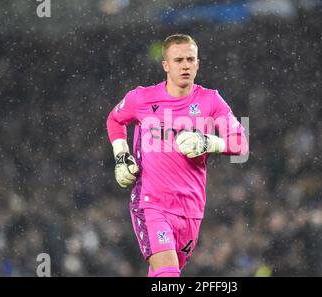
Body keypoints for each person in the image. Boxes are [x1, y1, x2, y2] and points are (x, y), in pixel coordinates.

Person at [106, 34, 248, 277]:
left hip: (191, 209)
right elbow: (115, 119)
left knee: (163, 274)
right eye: (178, 59)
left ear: (198, 63)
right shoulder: (141, 98)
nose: (185, 65)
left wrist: (208, 142)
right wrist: (121, 155)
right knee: (168, 275)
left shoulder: (211, 100)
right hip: (151, 204)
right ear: (166, 65)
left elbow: (240, 144)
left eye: (190, 59)